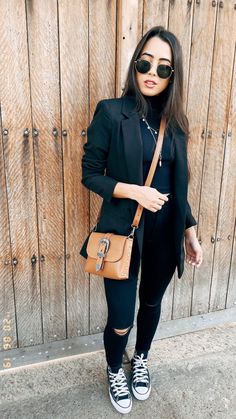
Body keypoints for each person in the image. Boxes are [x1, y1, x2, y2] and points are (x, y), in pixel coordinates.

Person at [80, 25, 203, 414]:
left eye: (164, 67)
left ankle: (142, 359)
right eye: (145, 62)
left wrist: (190, 231)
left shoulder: (177, 124)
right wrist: (135, 191)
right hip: (123, 231)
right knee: (120, 317)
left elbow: (176, 185)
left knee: (150, 304)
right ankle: (114, 367)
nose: (152, 72)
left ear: (173, 75)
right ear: (135, 64)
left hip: (166, 235)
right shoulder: (112, 113)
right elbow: (90, 173)